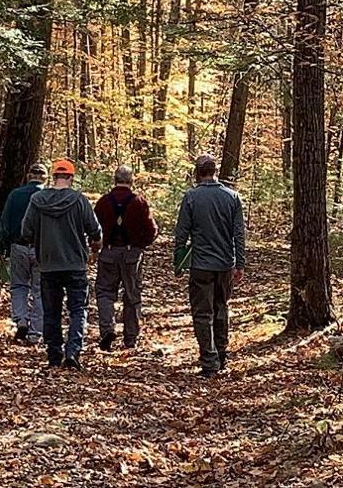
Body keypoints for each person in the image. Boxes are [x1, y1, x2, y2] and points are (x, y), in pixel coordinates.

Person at [21, 158, 102, 369]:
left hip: (48, 264)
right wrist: (95, 245)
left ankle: (54, 354)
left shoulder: (37, 200)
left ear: (54, 176)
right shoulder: (79, 200)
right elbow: (95, 230)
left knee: (51, 310)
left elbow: (25, 231)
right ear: (71, 178)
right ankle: (73, 351)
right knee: (78, 309)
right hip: (75, 264)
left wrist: (39, 241)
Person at [172, 154, 246, 377]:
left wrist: (178, 261)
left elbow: (181, 233)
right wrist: (239, 263)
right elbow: (239, 234)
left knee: (203, 313)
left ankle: (210, 360)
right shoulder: (232, 197)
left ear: (198, 172)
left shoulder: (192, 197)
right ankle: (221, 353)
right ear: (215, 171)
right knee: (221, 307)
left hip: (201, 265)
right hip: (224, 264)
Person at [93, 165, 159, 351]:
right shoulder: (139, 202)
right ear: (131, 181)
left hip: (108, 252)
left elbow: (93, 227)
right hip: (132, 254)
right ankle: (130, 338)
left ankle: (107, 330)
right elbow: (152, 229)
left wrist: (95, 246)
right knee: (132, 295)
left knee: (105, 292)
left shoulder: (104, 202)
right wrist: (142, 244)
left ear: (114, 180)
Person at [0, 162, 48, 343]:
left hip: (18, 246)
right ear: (45, 178)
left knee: (18, 285)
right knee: (40, 290)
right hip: (42, 249)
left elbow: (5, 222)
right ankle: (35, 333)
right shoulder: (47, 197)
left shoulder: (15, 195)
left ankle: (21, 320)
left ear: (28, 176)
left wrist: (1, 246)